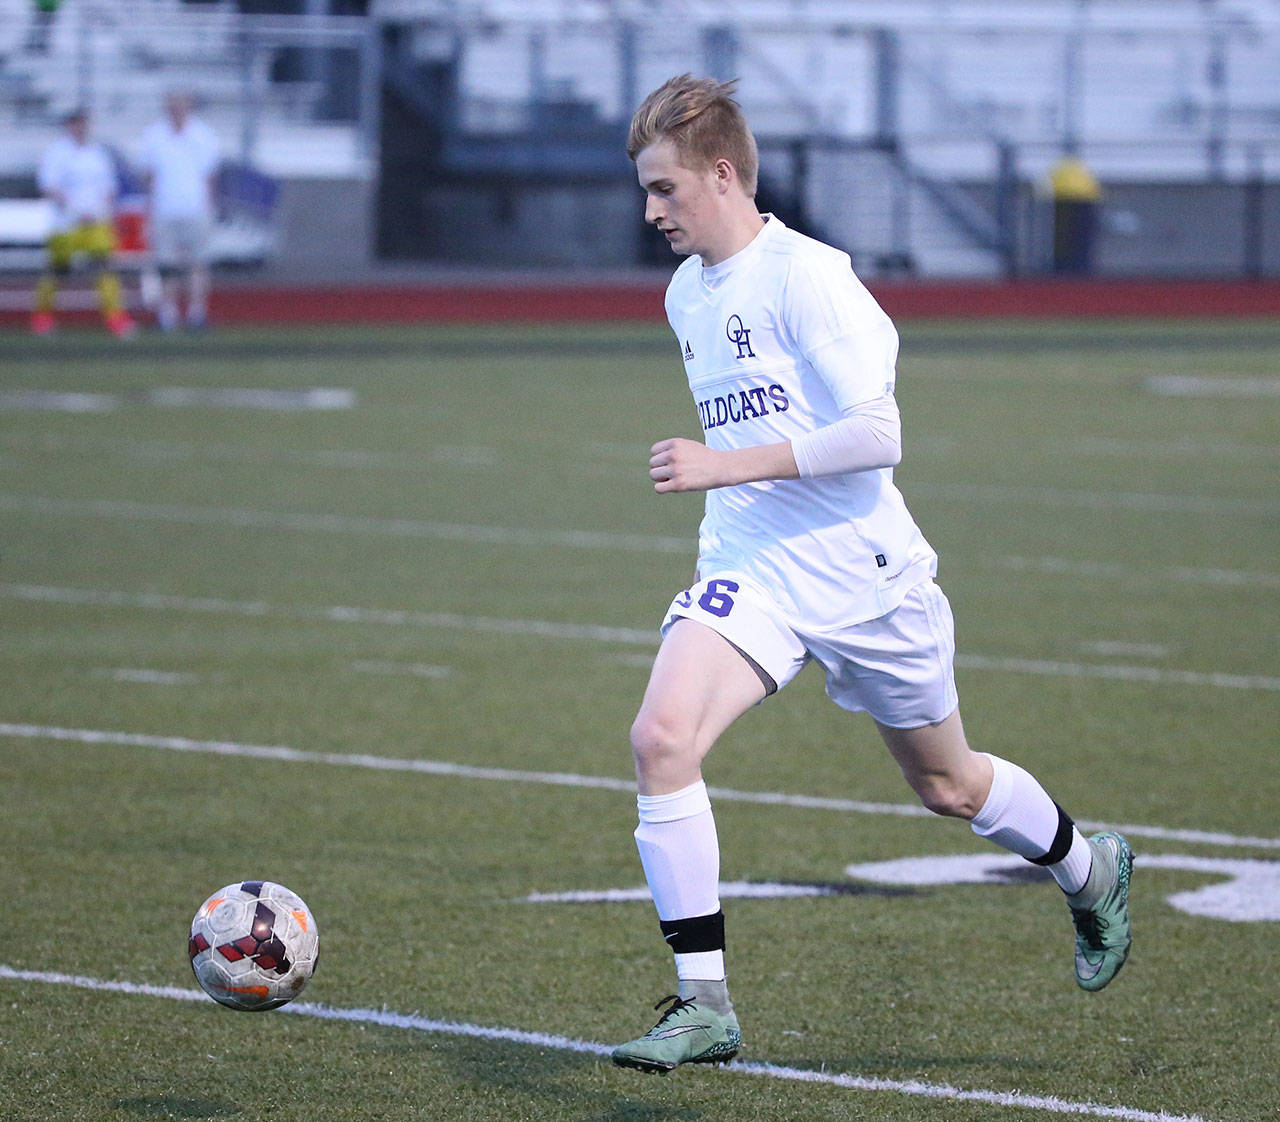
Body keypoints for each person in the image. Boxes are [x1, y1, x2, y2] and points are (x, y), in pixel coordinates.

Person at [610, 74, 1134, 1075]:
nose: (651, 212)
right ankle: (703, 1002)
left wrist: (724, 464)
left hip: (866, 577)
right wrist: (732, 483)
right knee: (660, 739)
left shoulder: (811, 278)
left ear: (721, 175)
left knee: (948, 784)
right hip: (752, 569)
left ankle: (1088, 865)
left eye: (664, 189)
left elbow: (875, 435)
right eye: (645, 191)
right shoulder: (685, 293)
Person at [31, 108, 136, 338]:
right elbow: (49, 187)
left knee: (104, 268)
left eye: (83, 123)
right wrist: (77, 211)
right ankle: (42, 317)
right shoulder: (57, 153)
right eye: (75, 123)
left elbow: (109, 189)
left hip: (96, 221)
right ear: (68, 126)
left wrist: (104, 213)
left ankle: (115, 318)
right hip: (66, 223)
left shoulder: (97, 154)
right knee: (58, 270)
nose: (80, 128)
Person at [138, 91, 220, 331]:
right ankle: (168, 316)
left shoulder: (204, 135)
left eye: (181, 103)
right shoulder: (154, 135)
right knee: (166, 265)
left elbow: (211, 176)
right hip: (164, 209)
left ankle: (196, 315)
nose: (176, 108)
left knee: (198, 264)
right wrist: (151, 207)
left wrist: (209, 205)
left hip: (196, 207)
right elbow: (148, 175)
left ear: (189, 106)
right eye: (172, 103)